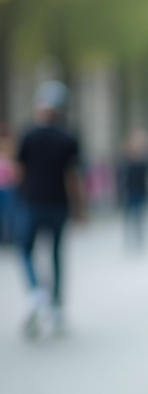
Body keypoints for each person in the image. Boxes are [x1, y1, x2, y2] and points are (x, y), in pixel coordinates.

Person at [14, 80, 86, 338]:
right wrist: (80, 208)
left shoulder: (28, 134)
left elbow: (19, 172)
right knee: (56, 254)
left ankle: (36, 292)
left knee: (25, 250)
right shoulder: (68, 136)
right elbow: (73, 177)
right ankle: (56, 308)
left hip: (32, 202)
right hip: (59, 204)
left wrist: (17, 199)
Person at [118, 129, 148, 250]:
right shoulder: (126, 161)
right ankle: (131, 239)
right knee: (130, 217)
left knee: (140, 216)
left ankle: (140, 239)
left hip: (141, 192)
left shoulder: (143, 162)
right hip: (130, 192)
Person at [0, 123, 16, 245]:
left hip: (9, 185)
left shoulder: (11, 145)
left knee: (9, 213)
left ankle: (8, 237)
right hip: (7, 184)